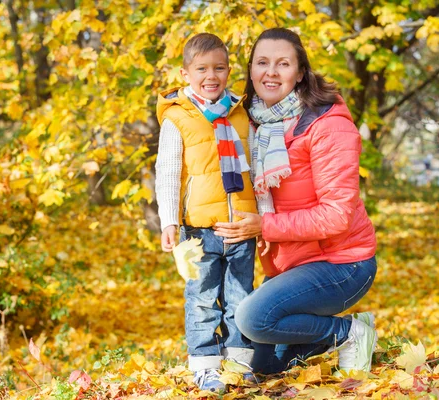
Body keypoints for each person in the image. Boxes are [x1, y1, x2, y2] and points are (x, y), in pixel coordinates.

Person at [213, 27, 378, 375]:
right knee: (266, 368)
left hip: (342, 264)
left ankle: (350, 332)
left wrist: (263, 226)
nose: (271, 72)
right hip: (292, 264)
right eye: (262, 62)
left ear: (300, 72)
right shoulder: (253, 124)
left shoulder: (328, 125)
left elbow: (336, 217)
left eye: (283, 63)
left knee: (252, 318)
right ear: (251, 70)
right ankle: (317, 339)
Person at [154, 33, 258, 391]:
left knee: (241, 297)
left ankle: (239, 363)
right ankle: (205, 365)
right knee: (201, 298)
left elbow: (257, 172)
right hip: (199, 228)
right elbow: (167, 172)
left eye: (219, 68)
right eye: (201, 69)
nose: (210, 75)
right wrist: (169, 220)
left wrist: (266, 221)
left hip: (241, 226)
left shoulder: (241, 113)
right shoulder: (178, 118)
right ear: (185, 74)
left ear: (229, 71)